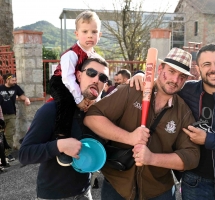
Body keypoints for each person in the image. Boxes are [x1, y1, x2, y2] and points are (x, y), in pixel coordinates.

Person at [130, 44, 215, 199]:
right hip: (194, 181)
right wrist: (142, 76)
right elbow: (167, 83)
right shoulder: (187, 90)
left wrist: (208, 139)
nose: (213, 69)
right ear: (198, 69)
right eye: (207, 64)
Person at [84, 48, 200, 200]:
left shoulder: (183, 112)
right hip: (118, 185)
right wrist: (130, 137)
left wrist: (152, 158)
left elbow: (192, 156)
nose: (175, 80)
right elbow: (91, 117)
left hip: (158, 191)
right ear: (160, 68)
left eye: (182, 76)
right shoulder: (132, 91)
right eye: (171, 71)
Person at [18, 57, 109, 199]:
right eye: (91, 73)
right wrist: (59, 145)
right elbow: (24, 155)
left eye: (103, 77)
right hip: (53, 196)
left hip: (85, 192)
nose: (96, 79)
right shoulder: (53, 110)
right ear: (79, 75)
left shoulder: (98, 114)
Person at [49, 10, 104, 166]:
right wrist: (79, 99)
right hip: (61, 82)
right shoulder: (71, 54)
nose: (89, 35)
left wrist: (95, 99)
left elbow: (101, 81)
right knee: (66, 102)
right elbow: (68, 78)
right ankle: (62, 139)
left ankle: (95, 139)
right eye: (85, 31)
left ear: (99, 35)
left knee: (97, 108)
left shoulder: (97, 58)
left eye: (94, 32)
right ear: (77, 34)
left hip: (81, 85)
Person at [0, 73, 31, 162]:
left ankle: (7, 154)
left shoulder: (16, 87)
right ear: (7, 80)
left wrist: (26, 99)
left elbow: (21, 96)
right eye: (13, 80)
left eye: (15, 80)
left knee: (10, 134)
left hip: (11, 114)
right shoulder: (0, 88)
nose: (15, 82)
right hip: (1, 115)